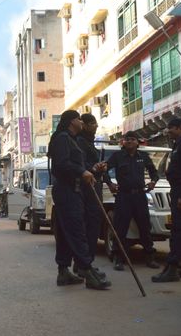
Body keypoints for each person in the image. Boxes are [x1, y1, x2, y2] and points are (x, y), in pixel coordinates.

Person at [48, 110, 111, 290]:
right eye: (77, 118)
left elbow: (76, 164)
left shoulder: (72, 139)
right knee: (77, 230)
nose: (80, 122)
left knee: (65, 233)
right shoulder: (62, 138)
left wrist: (90, 169)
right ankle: (86, 269)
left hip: (73, 189)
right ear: (70, 121)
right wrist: (81, 171)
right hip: (67, 190)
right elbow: (61, 165)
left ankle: (64, 271)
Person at [152, 118, 181, 283]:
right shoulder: (180, 143)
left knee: (179, 229)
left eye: (171, 128)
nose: (168, 131)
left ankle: (172, 268)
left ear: (179, 128)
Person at [105, 131, 160, 271]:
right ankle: (118, 258)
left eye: (132, 139)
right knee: (120, 227)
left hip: (140, 196)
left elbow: (154, 172)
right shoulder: (118, 156)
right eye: (127, 139)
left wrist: (153, 181)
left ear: (137, 142)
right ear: (123, 142)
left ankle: (149, 257)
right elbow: (103, 170)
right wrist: (110, 184)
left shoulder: (143, 156)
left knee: (144, 227)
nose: (129, 141)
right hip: (124, 196)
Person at [75, 113, 107, 271]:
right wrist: (93, 169)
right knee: (90, 226)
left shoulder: (88, 142)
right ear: (85, 125)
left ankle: (86, 263)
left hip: (95, 187)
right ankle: (84, 265)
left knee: (93, 226)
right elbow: (80, 166)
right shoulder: (80, 142)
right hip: (88, 190)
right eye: (93, 123)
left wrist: (100, 169)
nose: (96, 126)